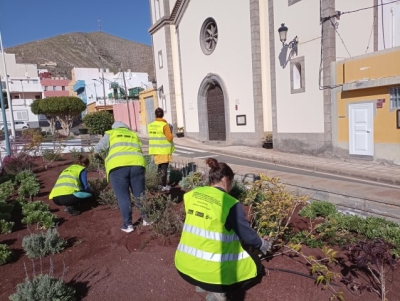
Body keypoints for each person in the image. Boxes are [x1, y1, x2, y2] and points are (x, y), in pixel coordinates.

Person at [174, 158, 271, 301]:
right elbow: (247, 235)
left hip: (184, 267)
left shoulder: (192, 195)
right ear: (226, 180)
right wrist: (262, 244)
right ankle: (219, 293)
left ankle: (201, 285)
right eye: (231, 182)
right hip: (213, 275)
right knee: (256, 265)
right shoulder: (229, 203)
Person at [94, 121, 148, 233]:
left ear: (114, 128)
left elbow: (97, 149)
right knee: (140, 194)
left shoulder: (110, 134)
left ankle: (128, 225)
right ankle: (146, 219)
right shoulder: (133, 135)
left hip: (117, 167)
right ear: (126, 128)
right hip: (137, 165)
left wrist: (104, 159)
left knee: (123, 197)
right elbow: (139, 150)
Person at [147, 107, 175, 192]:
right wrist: (171, 131)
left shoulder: (150, 125)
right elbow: (169, 138)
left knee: (159, 168)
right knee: (164, 168)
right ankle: (163, 185)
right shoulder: (164, 125)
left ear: (155, 115)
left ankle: (159, 184)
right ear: (162, 115)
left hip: (155, 150)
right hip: (163, 150)